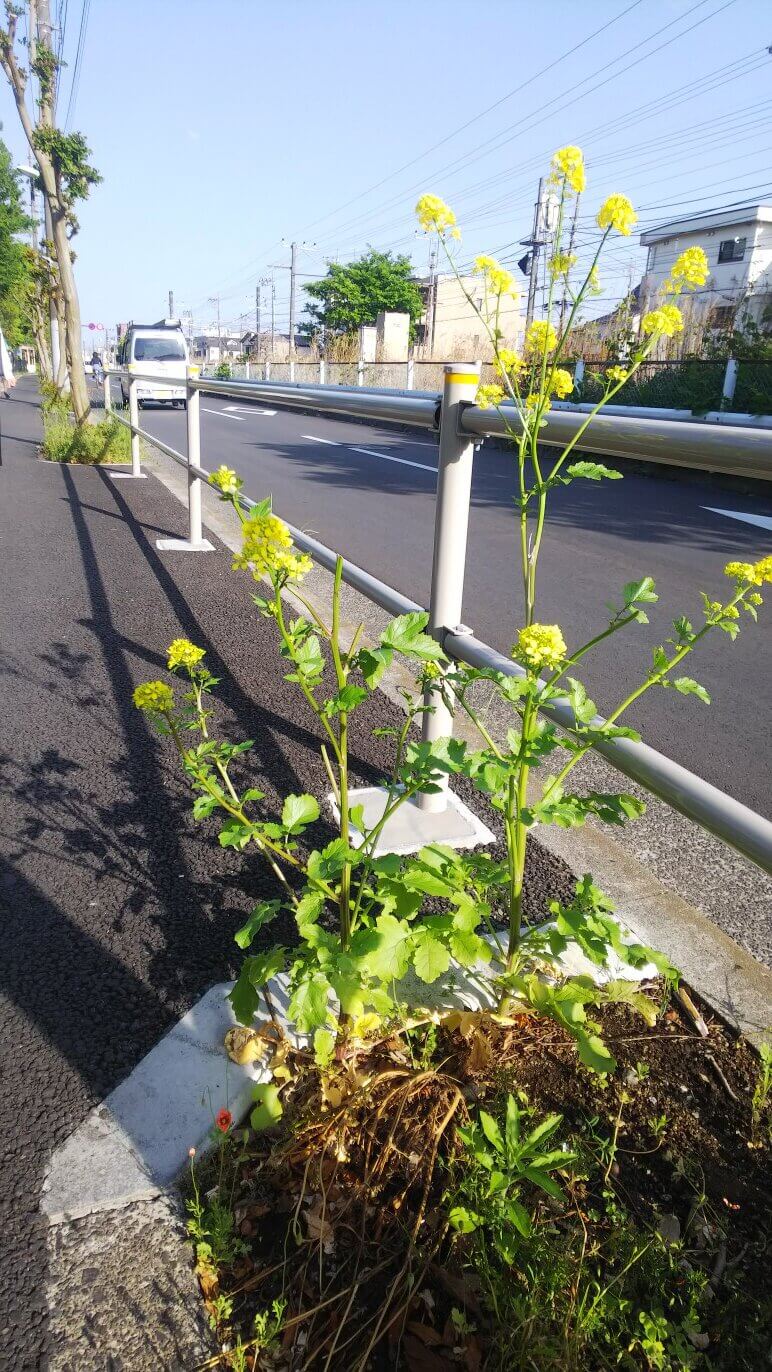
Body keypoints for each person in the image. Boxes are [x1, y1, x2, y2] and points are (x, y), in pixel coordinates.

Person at [0, 328, 16, 399]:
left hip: (3, 365)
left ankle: (3, 392)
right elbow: (7, 349)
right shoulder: (3, 344)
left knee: (3, 378)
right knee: (4, 379)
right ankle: (4, 391)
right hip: (3, 365)